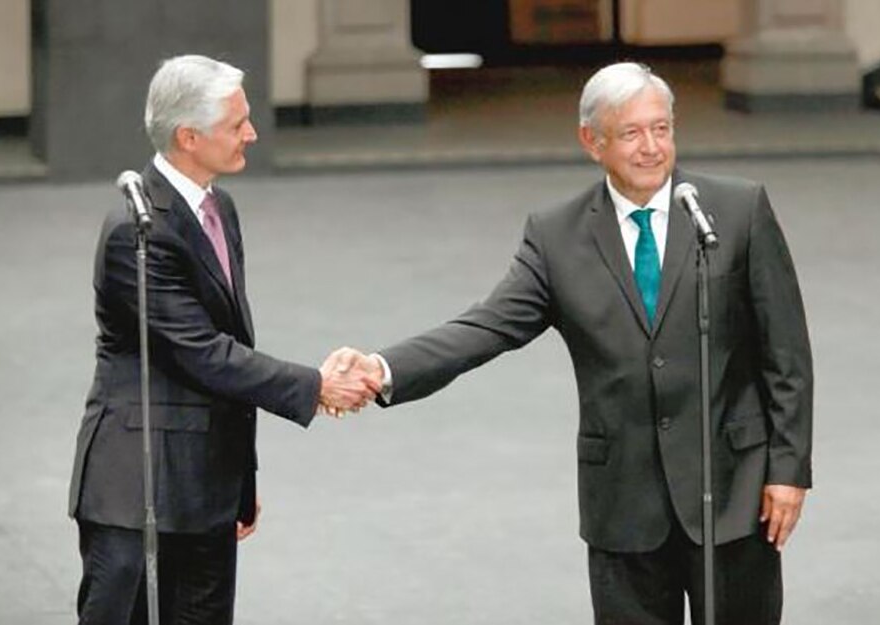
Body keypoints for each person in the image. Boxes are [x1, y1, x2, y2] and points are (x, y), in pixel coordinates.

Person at [330, 62, 813, 624]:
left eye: (662, 128)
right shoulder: (557, 236)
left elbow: (788, 355)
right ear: (593, 141)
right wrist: (381, 369)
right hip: (624, 505)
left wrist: (788, 470)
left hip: (733, 494)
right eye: (632, 133)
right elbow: (485, 327)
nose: (652, 147)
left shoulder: (734, 210)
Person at [67, 54, 377, 625]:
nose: (252, 133)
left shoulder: (219, 208)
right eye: (237, 125)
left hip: (205, 485)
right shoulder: (135, 232)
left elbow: (229, 338)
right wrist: (318, 387)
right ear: (189, 136)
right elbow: (200, 352)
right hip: (137, 492)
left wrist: (239, 479)